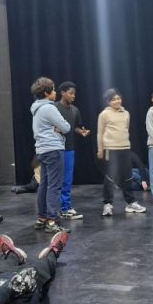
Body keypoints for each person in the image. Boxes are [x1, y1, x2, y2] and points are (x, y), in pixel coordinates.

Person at [31, 77, 71, 233]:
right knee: (54, 186)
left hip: (42, 150)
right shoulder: (49, 108)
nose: (55, 92)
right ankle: (52, 221)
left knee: (44, 184)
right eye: (53, 90)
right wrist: (58, 128)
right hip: (53, 149)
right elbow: (66, 127)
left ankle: (42, 218)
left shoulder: (36, 108)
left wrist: (55, 127)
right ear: (47, 93)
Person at [97, 88, 146, 217]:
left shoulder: (126, 113)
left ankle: (131, 203)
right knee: (110, 177)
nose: (117, 101)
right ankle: (107, 204)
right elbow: (100, 133)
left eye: (118, 98)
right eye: (113, 99)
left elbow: (126, 129)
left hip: (124, 148)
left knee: (127, 176)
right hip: (110, 149)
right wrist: (100, 149)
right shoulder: (104, 114)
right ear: (108, 101)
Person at [56, 82, 90, 220]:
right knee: (55, 180)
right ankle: (53, 208)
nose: (73, 96)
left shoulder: (75, 110)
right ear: (62, 93)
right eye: (70, 93)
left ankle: (65, 207)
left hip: (69, 149)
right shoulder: (54, 108)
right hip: (55, 148)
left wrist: (81, 132)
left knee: (67, 180)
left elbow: (75, 127)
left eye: (74, 94)